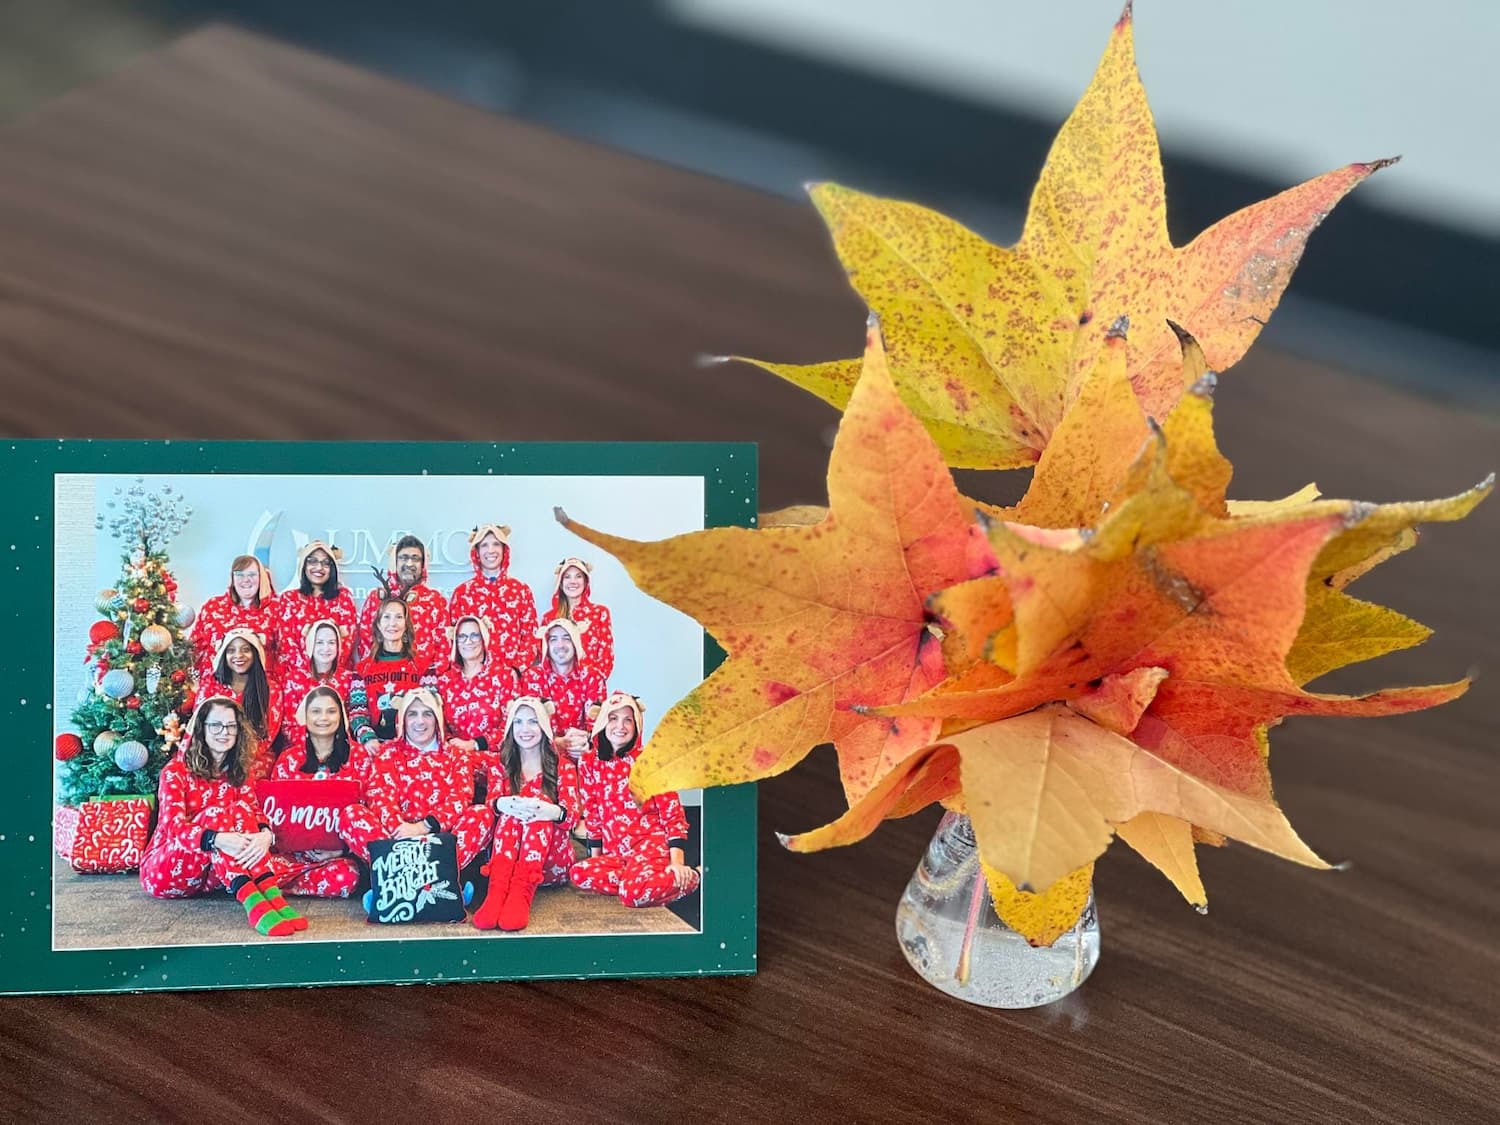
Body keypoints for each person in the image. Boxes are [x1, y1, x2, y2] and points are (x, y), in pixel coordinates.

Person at [139, 696, 307, 937]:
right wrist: (217, 839)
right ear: (201, 729)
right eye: (215, 725)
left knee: (241, 810)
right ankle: (254, 904)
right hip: (167, 872)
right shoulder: (175, 772)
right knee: (216, 814)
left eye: (230, 726)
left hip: (214, 873)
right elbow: (173, 829)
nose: (224, 732)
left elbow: (254, 811)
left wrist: (265, 836)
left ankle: (273, 897)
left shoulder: (239, 771)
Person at [570, 692, 699, 909]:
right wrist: (596, 859)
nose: (620, 726)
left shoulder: (650, 760)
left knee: (632, 896)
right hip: (617, 853)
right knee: (579, 873)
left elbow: (672, 813)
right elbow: (592, 812)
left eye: (628, 719)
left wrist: (677, 862)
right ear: (602, 722)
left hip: (648, 844)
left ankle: (691, 876)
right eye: (613, 718)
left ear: (636, 725)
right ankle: (639, 879)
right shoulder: (588, 762)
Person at [341, 688, 494, 871]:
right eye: (412, 714)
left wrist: (424, 826)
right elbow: (380, 796)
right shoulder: (387, 753)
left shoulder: (456, 755)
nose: (420, 721)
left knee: (482, 814)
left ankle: (420, 878)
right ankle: (412, 876)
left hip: (439, 843)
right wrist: (400, 829)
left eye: (427, 714)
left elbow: (460, 799)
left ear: (437, 719)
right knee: (352, 814)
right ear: (403, 720)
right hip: (397, 841)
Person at [268, 686, 372, 898]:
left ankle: (282, 886)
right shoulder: (289, 759)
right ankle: (289, 881)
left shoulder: (359, 757)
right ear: (305, 716)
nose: (323, 718)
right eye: (316, 711)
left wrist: (342, 850)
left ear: (341, 716)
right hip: (292, 855)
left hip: (339, 856)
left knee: (346, 877)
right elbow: (276, 811)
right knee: (261, 870)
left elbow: (368, 811)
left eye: (331, 711)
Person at [349, 592, 437, 748]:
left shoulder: (423, 666)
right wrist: (368, 738)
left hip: (413, 747)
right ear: (378, 624)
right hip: (375, 747)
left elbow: (431, 710)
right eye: (387, 617)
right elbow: (357, 712)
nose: (393, 623)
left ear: (406, 624)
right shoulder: (363, 669)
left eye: (398, 617)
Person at [448, 524, 538, 672]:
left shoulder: (520, 590)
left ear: (504, 550)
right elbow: (453, 639)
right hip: (474, 680)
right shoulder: (462, 593)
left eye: (496, 544)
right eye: (484, 545)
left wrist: (516, 670)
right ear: (476, 552)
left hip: (512, 678)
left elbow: (531, 636)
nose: (490, 550)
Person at [357, 536, 450, 673]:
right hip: (381, 680)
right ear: (394, 561)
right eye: (403, 557)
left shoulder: (434, 600)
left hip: (422, 683)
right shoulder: (376, 598)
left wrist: (431, 682)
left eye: (416, 558)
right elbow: (365, 641)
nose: (410, 563)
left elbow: (444, 644)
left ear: (423, 564)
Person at [521, 618, 605, 762]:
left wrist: (585, 741)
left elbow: (597, 726)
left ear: (575, 643)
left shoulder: (592, 677)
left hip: (583, 754)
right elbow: (528, 726)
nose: (560, 645)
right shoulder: (532, 677)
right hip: (544, 756)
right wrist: (554, 743)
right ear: (547, 645)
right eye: (553, 639)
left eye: (566, 638)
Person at [438, 614, 521, 758]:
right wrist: (452, 742)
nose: (468, 641)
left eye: (474, 635)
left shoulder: (505, 676)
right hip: (455, 759)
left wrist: (475, 744)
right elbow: (438, 726)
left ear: (484, 639)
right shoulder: (445, 681)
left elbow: (513, 724)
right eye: (462, 637)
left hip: (496, 761)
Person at [273, 541, 359, 675]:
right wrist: (309, 674)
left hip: (336, 676)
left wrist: (326, 671)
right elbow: (286, 642)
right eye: (312, 561)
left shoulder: (344, 598)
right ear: (303, 566)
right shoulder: (289, 599)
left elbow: (347, 640)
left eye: (325, 563)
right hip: (297, 677)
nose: (319, 567)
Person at [203, 628, 282, 777]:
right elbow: (199, 726)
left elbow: (268, 734)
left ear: (256, 654)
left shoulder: (271, 689)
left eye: (246, 650)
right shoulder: (210, 685)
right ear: (224, 655)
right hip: (214, 754)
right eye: (231, 650)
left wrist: (237, 759)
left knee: (244, 773)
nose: (238, 655)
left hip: (255, 757)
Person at [189, 555, 277, 683]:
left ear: (262, 578)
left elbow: (284, 655)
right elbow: (194, 648)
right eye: (240, 574)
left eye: (252, 574)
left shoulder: (276, 610)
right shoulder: (213, 607)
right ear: (232, 578)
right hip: (215, 686)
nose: (246, 580)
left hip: (260, 687)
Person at [278, 619, 354, 752]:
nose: (326, 648)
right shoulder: (294, 680)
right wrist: (318, 746)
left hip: (341, 748)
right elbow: (289, 725)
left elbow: (352, 720)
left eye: (331, 642)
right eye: (319, 642)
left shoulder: (349, 678)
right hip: (302, 749)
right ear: (309, 645)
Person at [540, 556, 614, 680]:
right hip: (556, 689)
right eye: (567, 577)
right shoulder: (549, 618)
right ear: (561, 584)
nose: (573, 581)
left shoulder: (600, 613)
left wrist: (593, 682)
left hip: (591, 687)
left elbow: (606, 657)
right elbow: (544, 658)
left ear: (586, 582)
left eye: (578, 576)